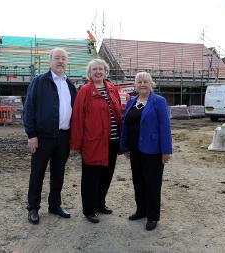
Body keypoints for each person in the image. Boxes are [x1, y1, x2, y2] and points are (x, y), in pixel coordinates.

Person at [23, 48, 77, 224]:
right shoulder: (39, 81)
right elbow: (29, 108)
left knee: (58, 173)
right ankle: (33, 208)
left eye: (63, 58)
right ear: (50, 61)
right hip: (42, 137)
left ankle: (54, 205)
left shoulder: (70, 84)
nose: (60, 61)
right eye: (57, 58)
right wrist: (31, 135)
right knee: (37, 173)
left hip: (63, 137)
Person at [70, 58, 122, 223]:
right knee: (91, 178)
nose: (98, 72)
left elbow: (119, 112)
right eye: (94, 70)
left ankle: (100, 204)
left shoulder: (112, 89)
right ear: (89, 73)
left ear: (105, 71)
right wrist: (77, 143)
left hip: (112, 142)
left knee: (106, 176)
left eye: (101, 69)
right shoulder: (85, 91)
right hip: (93, 142)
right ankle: (89, 210)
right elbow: (77, 118)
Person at [120, 72, 172, 231]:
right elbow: (126, 125)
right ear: (135, 85)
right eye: (139, 82)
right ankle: (141, 210)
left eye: (146, 82)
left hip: (153, 151)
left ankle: (152, 216)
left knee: (152, 184)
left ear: (151, 84)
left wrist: (166, 151)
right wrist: (125, 146)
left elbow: (165, 127)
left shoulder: (159, 101)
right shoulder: (132, 101)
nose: (142, 84)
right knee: (138, 181)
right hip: (135, 149)